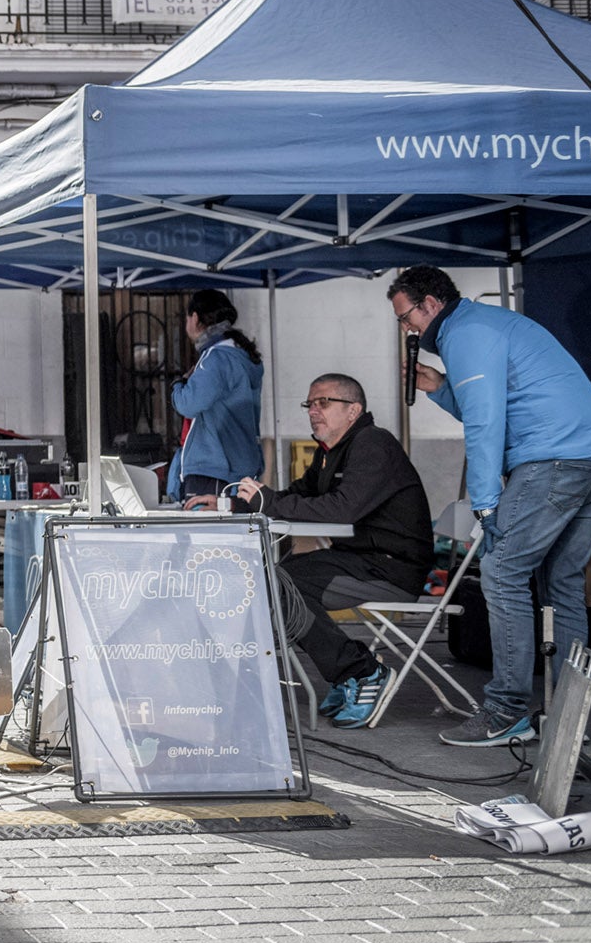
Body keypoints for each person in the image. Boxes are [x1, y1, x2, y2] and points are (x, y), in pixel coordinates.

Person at [391, 266, 591, 748]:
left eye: (406, 318)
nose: (406, 330)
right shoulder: (484, 323)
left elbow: (486, 423)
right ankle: (573, 716)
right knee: (562, 583)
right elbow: (496, 403)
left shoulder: (465, 333)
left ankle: (505, 710)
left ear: (429, 304)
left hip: (552, 456)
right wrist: (439, 388)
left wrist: (487, 505)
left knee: (502, 572)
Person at [192, 374, 433, 727]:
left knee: (280, 586)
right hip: (359, 561)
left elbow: (342, 509)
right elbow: (294, 498)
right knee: (272, 581)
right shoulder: (329, 453)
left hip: (391, 568)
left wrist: (269, 502)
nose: (313, 411)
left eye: (324, 403)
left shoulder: (372, 444)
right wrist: (230, 504)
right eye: (310, 404)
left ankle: (363, 672)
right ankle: (346, 674)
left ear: (353, 410)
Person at [168, 289, 265, 502]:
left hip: (212, 467)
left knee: (204, 533)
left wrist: (179, 384)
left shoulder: (216, 357)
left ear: (194, 318)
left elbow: (188, 404)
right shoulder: (244, 355)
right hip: (241, 466)